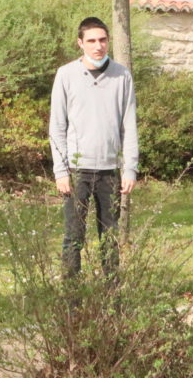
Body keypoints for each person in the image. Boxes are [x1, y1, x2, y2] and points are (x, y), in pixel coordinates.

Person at [49, 17, 138, 278]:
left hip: (110, 170)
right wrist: (61, 171)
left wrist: (130, 169)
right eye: (91, 41)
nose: (98, 46)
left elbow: (129, 126)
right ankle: (71, 299)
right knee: (73, 237)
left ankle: (112, 297)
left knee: (109, 236)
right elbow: (57, 127)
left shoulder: (122, 75)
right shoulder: (66, 75)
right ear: (80, 43)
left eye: (102, 40)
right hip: (77, 171)